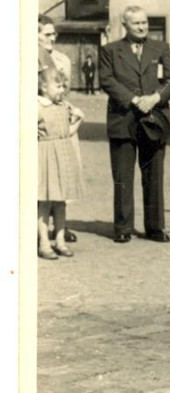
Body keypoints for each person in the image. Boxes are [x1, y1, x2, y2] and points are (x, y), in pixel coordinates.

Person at [99, 6, 170, 244]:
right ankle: (123, 227)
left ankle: (155, 228)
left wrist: (155, 98)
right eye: (136, 24)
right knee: (123, 176)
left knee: (154, 175)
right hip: (123, 119)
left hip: (154, 120)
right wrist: (134, 100)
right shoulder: (110, 51)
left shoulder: (160, 48)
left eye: (145, 22)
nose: (143, 27)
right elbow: (107, 80)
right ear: (125, 25)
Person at [38, 14, 78, 243]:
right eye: (47, 34)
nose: (52, 38)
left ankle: (61, 227)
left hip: (61, 122)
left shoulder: (63, 59)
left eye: (54, 33)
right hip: (41, 124)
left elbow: (66, 92)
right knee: (42, 180)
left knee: (62, 177)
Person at [38, 68, 85, 260]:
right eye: (57, 86)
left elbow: (68, 132)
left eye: (63, 86)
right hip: (46, 158)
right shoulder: (37, 107)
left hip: (63, 156)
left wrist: (79, 120)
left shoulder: (64, 106)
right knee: (44, 202)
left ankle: (60, 241)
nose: (61, 90)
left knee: (61, 202)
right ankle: (43, 243)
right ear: (43, 87)